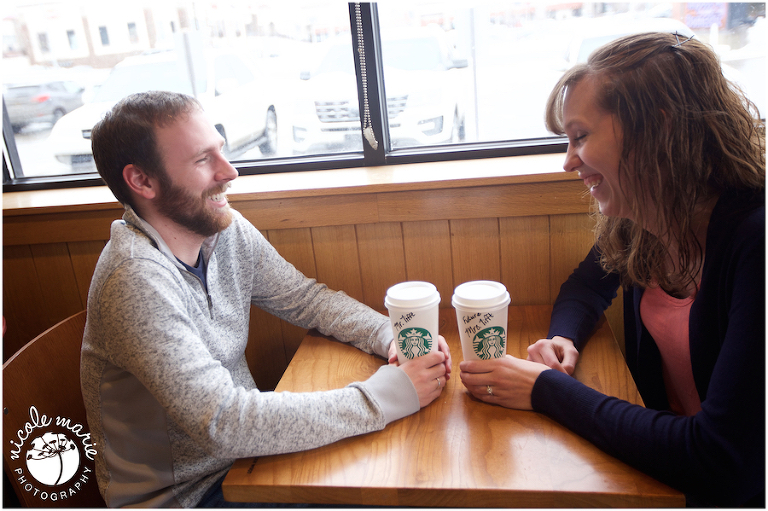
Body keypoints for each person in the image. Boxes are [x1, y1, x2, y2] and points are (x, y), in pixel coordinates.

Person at [80, 90, 452, 507]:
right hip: (187, 495)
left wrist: (391, 336)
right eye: (203, 160)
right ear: (142, 181)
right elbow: (224, 422)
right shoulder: (134, 279)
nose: (230, 171)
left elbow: (305, 299)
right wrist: (386, 396)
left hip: (246, 462)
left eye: (220, 150)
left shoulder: (224, 229)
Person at [459, 32, 764, 507]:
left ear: (655, 130)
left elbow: (717, 454)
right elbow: (586, 286)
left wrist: (545, 390)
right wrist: (564, 337)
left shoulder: (755, 242)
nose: (567, 161)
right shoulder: (641, 222)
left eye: (580, 137)